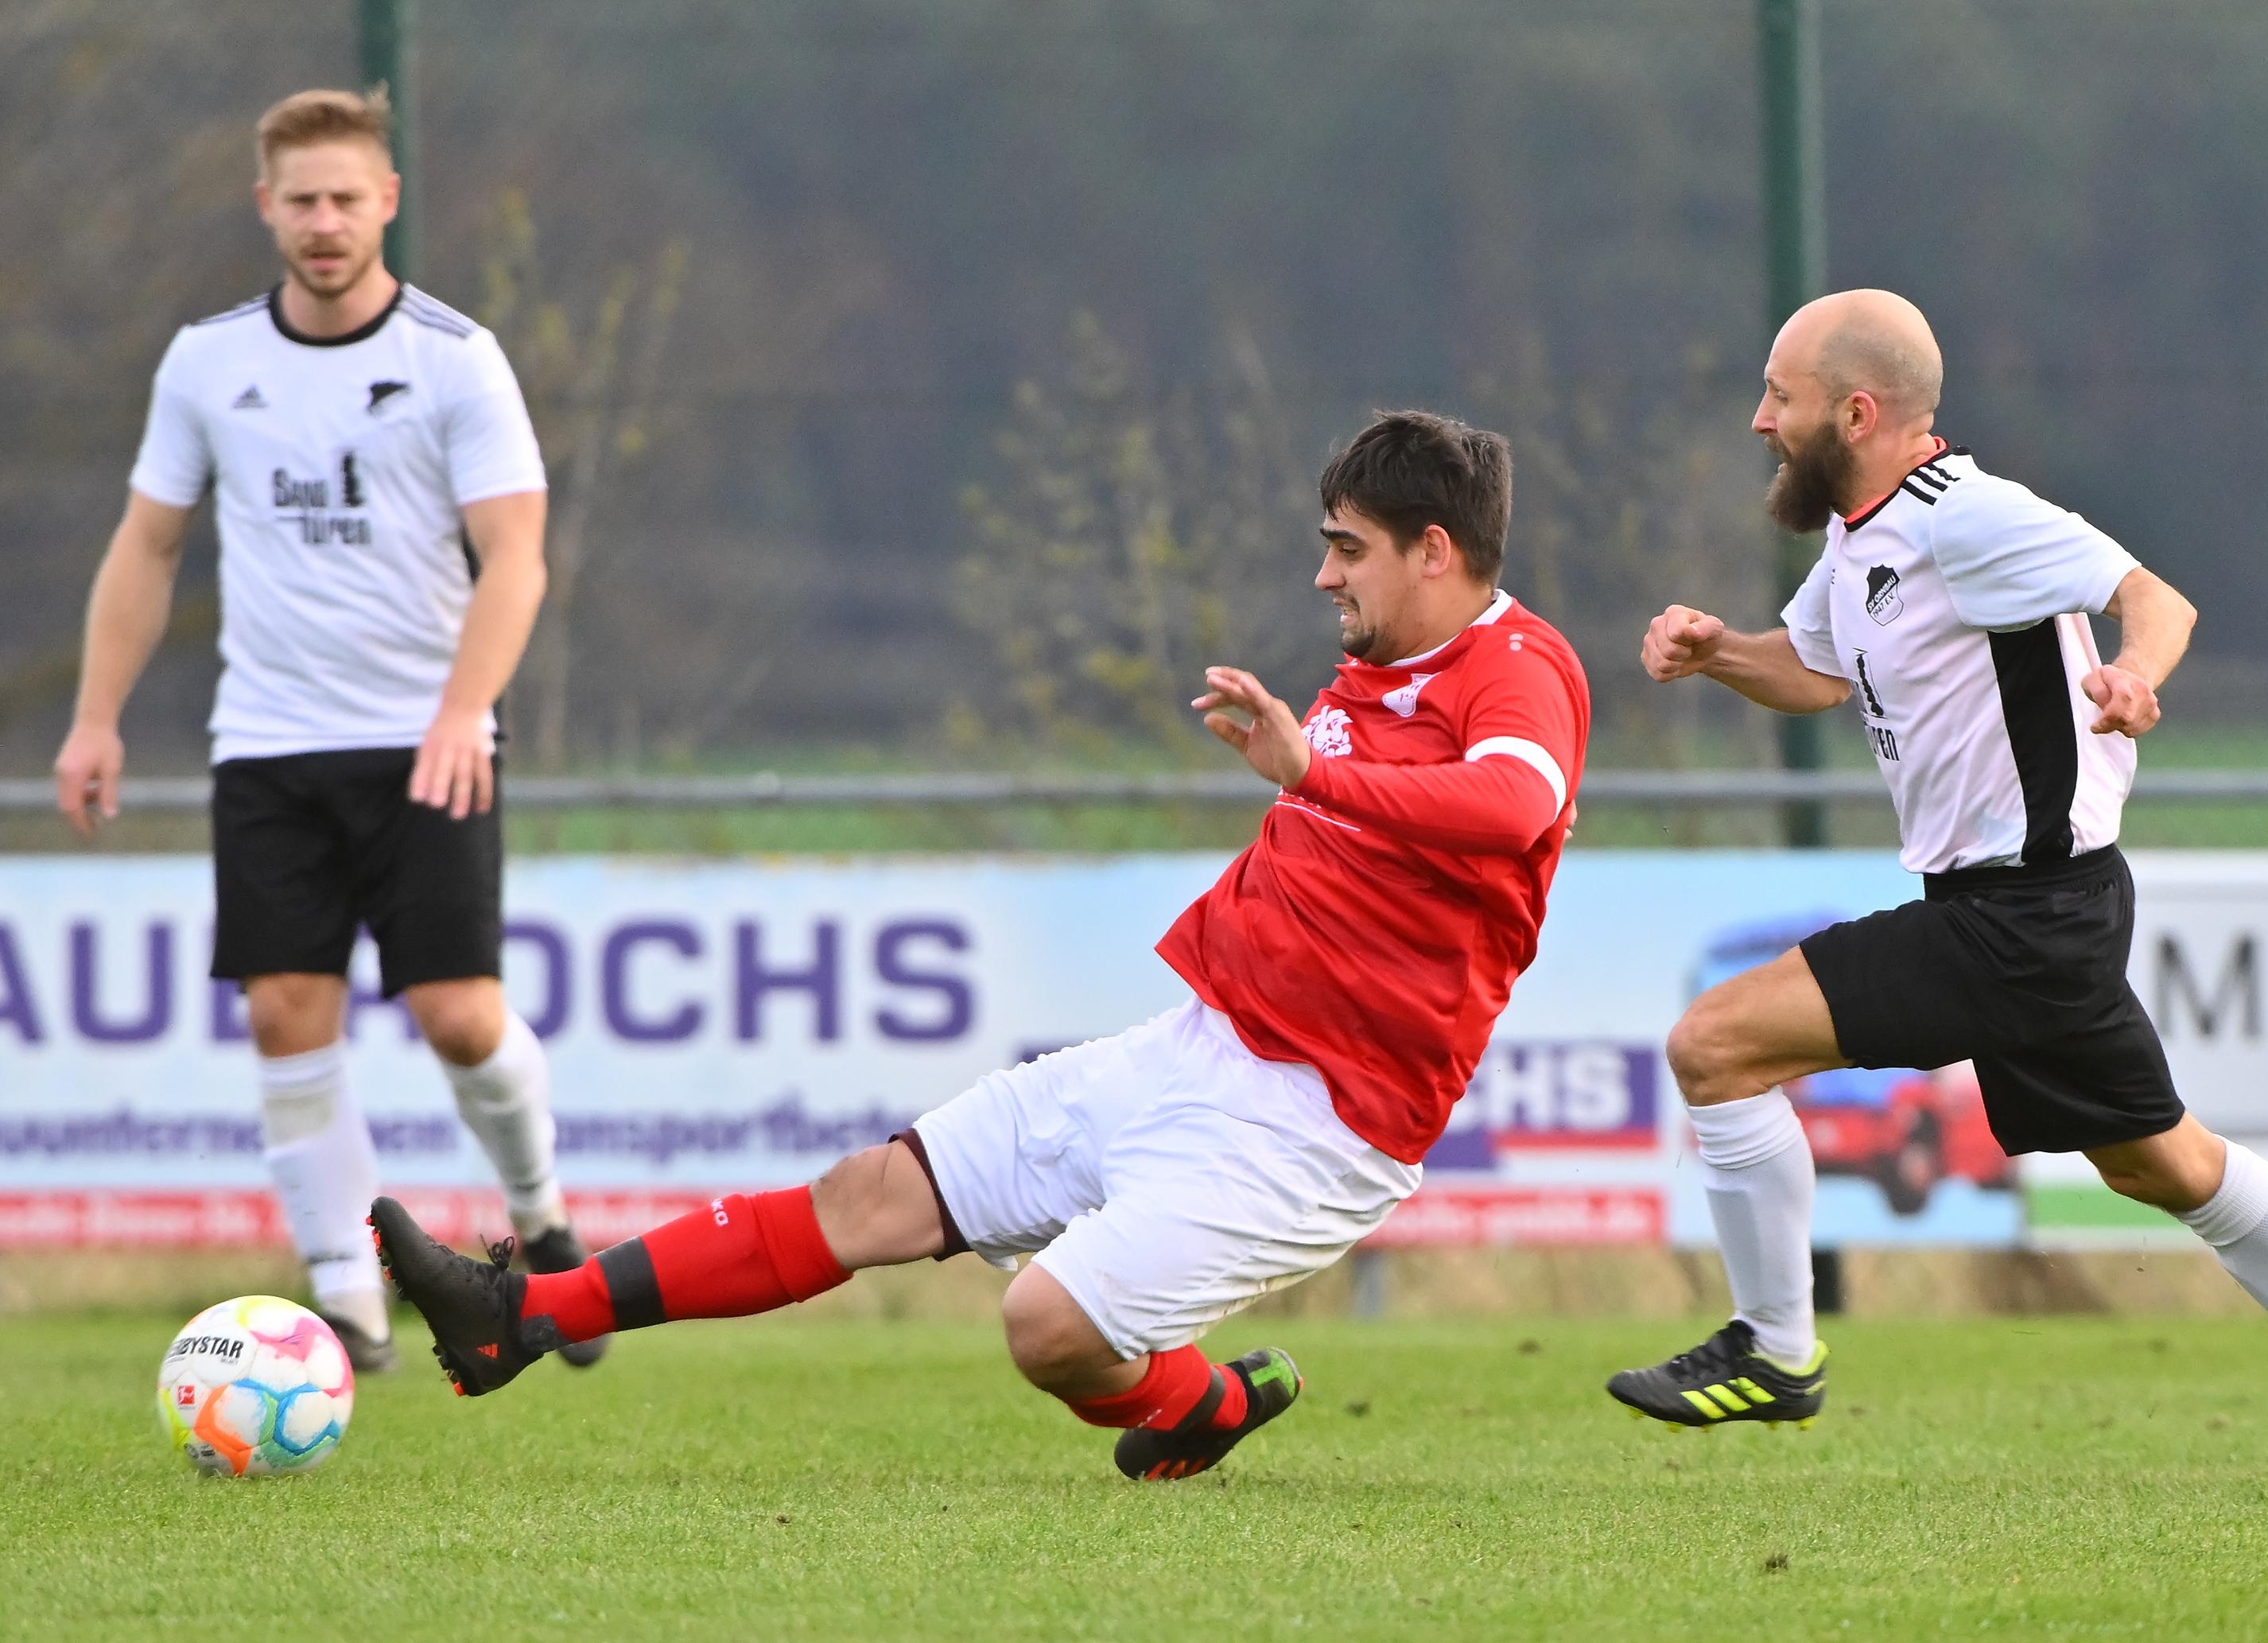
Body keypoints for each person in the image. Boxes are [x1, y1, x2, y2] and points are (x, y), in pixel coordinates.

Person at [371, 410, 1590, 1482]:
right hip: (1202, 1049)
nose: (1325, 574)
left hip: (1321, 1124)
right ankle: (518, 1315)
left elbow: (1514, 807)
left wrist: (1311, 766)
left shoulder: (1521, 671)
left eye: (1347, 546)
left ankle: (1204, 1399)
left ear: (1435, 550)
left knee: (1044, 1328)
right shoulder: (1379, 663)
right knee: (870, 1191)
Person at [1604, 290, 2268, 1483]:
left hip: (2025, 911)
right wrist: (1716, 657)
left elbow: (2157, 600)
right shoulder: (1858, 541)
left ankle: (1776, 1348)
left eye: (1779, 398)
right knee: (2156, 1161)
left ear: (1858, 411)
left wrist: (2135, 677)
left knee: (1715, 1045)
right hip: (2027, 915)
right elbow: (1811, 670)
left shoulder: (1971, 516)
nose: (1760, 421)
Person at [50, 89, 602, 1375]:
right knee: (288, 1011)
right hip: (270, 745)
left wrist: (465, 708)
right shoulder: (206, 361)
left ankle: (541, 1212)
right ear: (266, 207)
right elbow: (148, 543)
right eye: (300, 200)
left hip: (428, 740)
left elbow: (515, 554)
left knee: (461, 1019)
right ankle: (350, 1302)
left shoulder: (458, 357)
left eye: (347, 197)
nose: (324, 222)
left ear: (388, 201)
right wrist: (95, 716)